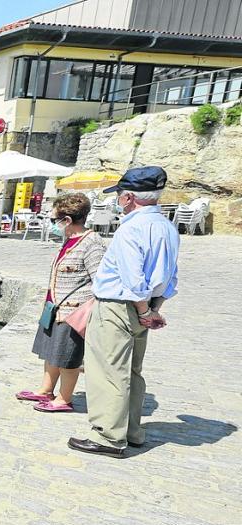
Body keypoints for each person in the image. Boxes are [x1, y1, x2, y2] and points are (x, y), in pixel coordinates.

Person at [68, 167, 179, 457]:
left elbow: (132, 279)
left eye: (119, 195)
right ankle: (131, 430)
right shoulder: (167, 227)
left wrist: (144, 309)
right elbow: (170, 276)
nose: (118, 200)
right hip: (144, 307)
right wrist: (154, 309)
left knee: (108, 370)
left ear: (129, 197)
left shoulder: (131, 228)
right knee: (132, 371)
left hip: (118, 307)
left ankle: (108, 435)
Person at [16, 193, 106, 413]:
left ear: (67, 220)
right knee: (51, 351)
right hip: (54, 307)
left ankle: (64, 399)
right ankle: (46, 390)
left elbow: (100, 281)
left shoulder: (92, 243)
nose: (53, 224)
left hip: (73, 311)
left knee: (67, 357)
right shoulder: (69, 240)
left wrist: (85, 310)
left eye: (55, 219)